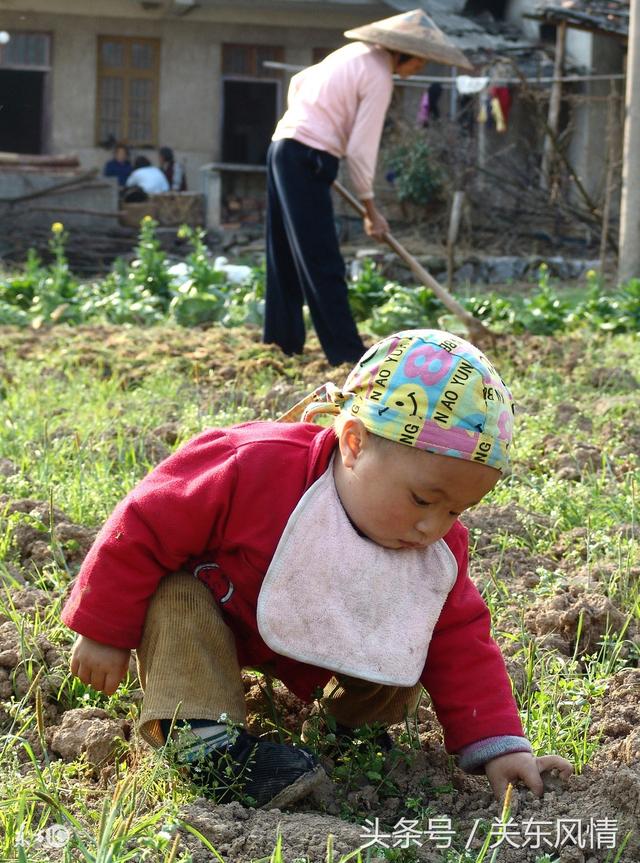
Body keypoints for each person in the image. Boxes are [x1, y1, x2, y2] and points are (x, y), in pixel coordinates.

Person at [62, 329, 573, 810]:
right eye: (423, 499)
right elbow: (146, 522)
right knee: (175, 595)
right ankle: (204, 741)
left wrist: (498, 745)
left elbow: (459, 638)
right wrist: (104, 630)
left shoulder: (436, 546)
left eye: (456, 511)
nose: (432, 527)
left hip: (327, 641)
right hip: (223, 611)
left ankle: (350, 731)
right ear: (353, 443)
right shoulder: (253, 467)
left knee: (412, 623)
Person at [263, 9, 472, 367]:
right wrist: (370, 208)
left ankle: (282, 342)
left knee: (283, 253)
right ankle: (347, 354)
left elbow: (299, 81)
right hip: (308, 155)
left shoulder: (351, 54)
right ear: (403, 53)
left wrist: (307, 121)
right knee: (322, 258)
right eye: (419, 62)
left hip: (283, 146)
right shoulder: (378, 74)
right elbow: (361, 149)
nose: (418, 70)